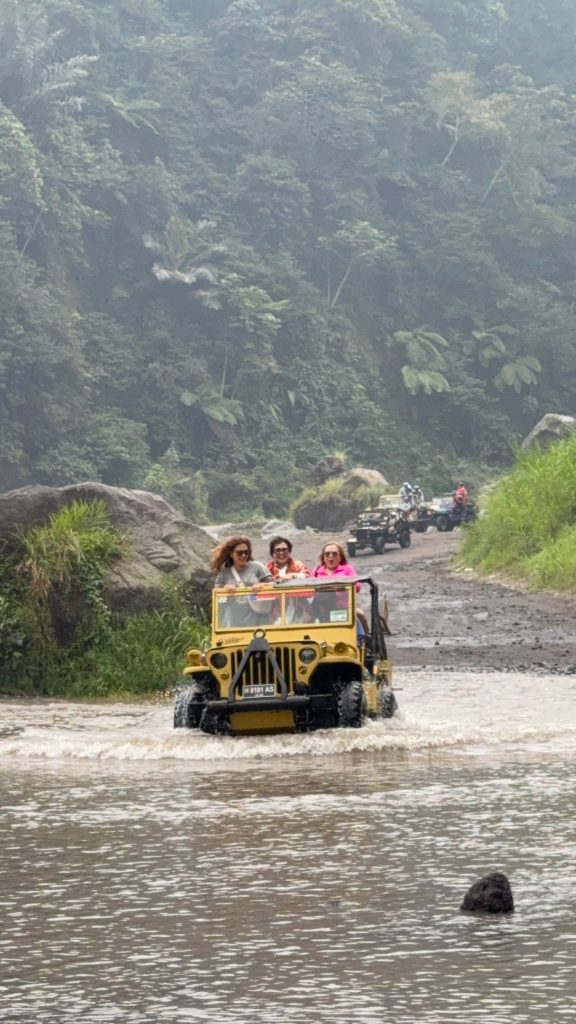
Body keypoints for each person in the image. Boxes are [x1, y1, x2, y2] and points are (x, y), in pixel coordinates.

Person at [212, 536, 275, 627]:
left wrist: (262, 585)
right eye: (239, 553)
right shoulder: (224, 574)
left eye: (246, 552)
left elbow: (273, 584)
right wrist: (224, 589)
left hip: (259, 621)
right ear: (231, 554)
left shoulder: (257, 567)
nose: (243, 555)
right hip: (234, 622)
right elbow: (217, 595)